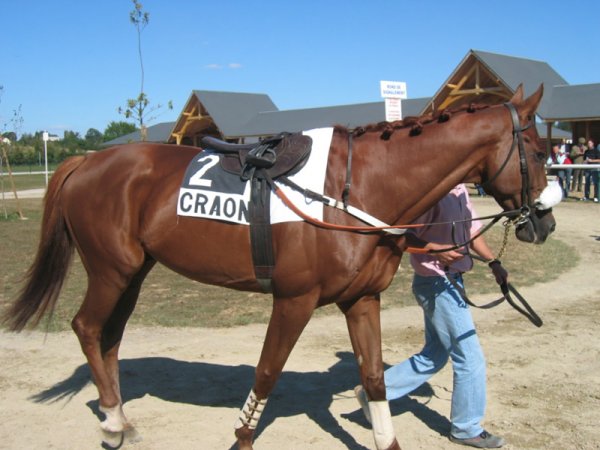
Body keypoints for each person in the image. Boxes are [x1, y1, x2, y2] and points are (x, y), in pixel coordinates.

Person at [355, 184, 507, 448]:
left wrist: (493, 262)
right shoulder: (433, 190)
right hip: (435, 283)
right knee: (470, 357)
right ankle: (466, 428)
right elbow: (401, 236)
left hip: (452, 279)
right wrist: (434, 249)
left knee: (433, 355)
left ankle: (376, 392)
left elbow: (471, 229)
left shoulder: (460, 190)